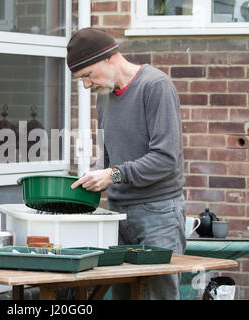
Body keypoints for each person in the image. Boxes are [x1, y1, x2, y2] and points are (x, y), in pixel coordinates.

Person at [67, 28, 186, 300]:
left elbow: (165, 159)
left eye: (87, 75)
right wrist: (95, 176)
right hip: (117, 216)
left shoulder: (155, 86)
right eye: (80, 79)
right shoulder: (104, 95)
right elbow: (109, 157)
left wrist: (113, 175)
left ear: (108, 58)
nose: (86, 85)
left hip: (158, 215)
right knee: (122, 296)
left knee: (159, 296)